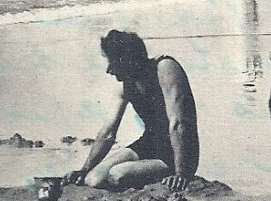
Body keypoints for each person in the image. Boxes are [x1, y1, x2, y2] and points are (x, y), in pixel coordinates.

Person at [62, 30, 199, 192]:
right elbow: (108, 131)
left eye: (111, 62)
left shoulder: (165, 68)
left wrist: (181, 173)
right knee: (93, 179)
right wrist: (84, 169)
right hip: (149, 144)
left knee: (117, 175)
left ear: (126, 59)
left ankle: (165, 171)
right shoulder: (127, 83)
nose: (108, 70)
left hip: (178, 151)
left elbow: (178, 123)